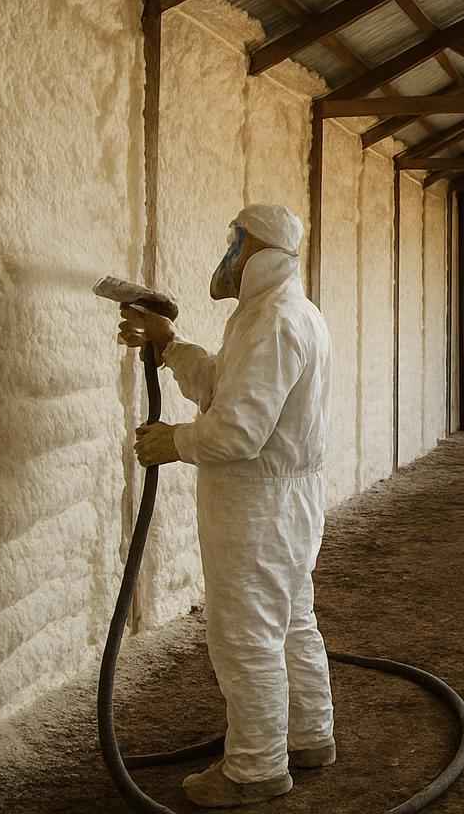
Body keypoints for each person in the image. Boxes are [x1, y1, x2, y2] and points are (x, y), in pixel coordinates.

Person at [118, 203, 334, 808]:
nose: (230, 255)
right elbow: (225, 385)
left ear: (262, 253)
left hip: (258, 504)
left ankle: (255, 768)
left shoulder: (271, 322)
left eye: (238, 243)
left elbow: (239, 432)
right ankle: (309, 735)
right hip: (284, 499)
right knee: (290, 621)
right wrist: (169, 346)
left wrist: (174, 441)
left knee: (245, 636)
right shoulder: (278, 313)